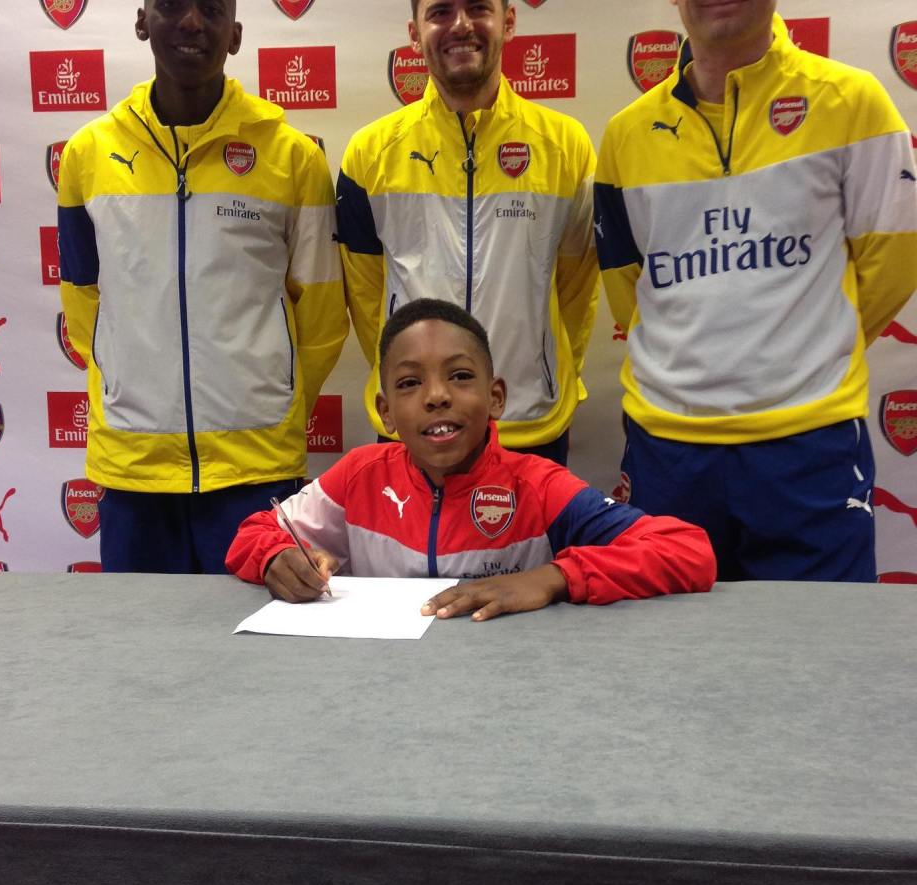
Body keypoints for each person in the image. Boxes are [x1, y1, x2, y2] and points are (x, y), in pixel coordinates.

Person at [594, 1, 917, 582]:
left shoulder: (853, 100)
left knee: (821, 653)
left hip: (807, 447)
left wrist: (806, 349)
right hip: (668, 449)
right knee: (667, 658)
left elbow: (893, 260)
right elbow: (628, 288)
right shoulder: (625, 134)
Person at [57, 0, 348, 574]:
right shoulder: (87, 155)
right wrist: (128, 383)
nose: (191, 22)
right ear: (142, 22)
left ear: (234, 35)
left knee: (253, 658)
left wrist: (274, 404)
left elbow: (321, 312)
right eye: (171, 6)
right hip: (134, 468)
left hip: (255, 469)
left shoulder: (292, 156)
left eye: (212, 10)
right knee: (141, 653)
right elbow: (83, 298)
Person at [226, 299, 715, 621]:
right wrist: (277, 558)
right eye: (410, 383)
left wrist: (552, 579)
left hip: (508, 691)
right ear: (385, 411)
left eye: (460, 376)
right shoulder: (359, 475)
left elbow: (688, 551)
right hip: (379, 688)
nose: (437, 396)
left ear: (496, 397)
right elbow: (254, 533)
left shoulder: (538, 487)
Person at [335, 0, 599, 466]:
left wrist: (544, 373)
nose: (460, 25)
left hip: (528, 424)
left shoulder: (566, 147)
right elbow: (367, 297)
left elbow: (576, 289)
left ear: (509, 21)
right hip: (414, 429)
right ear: (414, 34)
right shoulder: (369, 154)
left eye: (478, 7)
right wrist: (412, 385)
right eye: (439, 12)